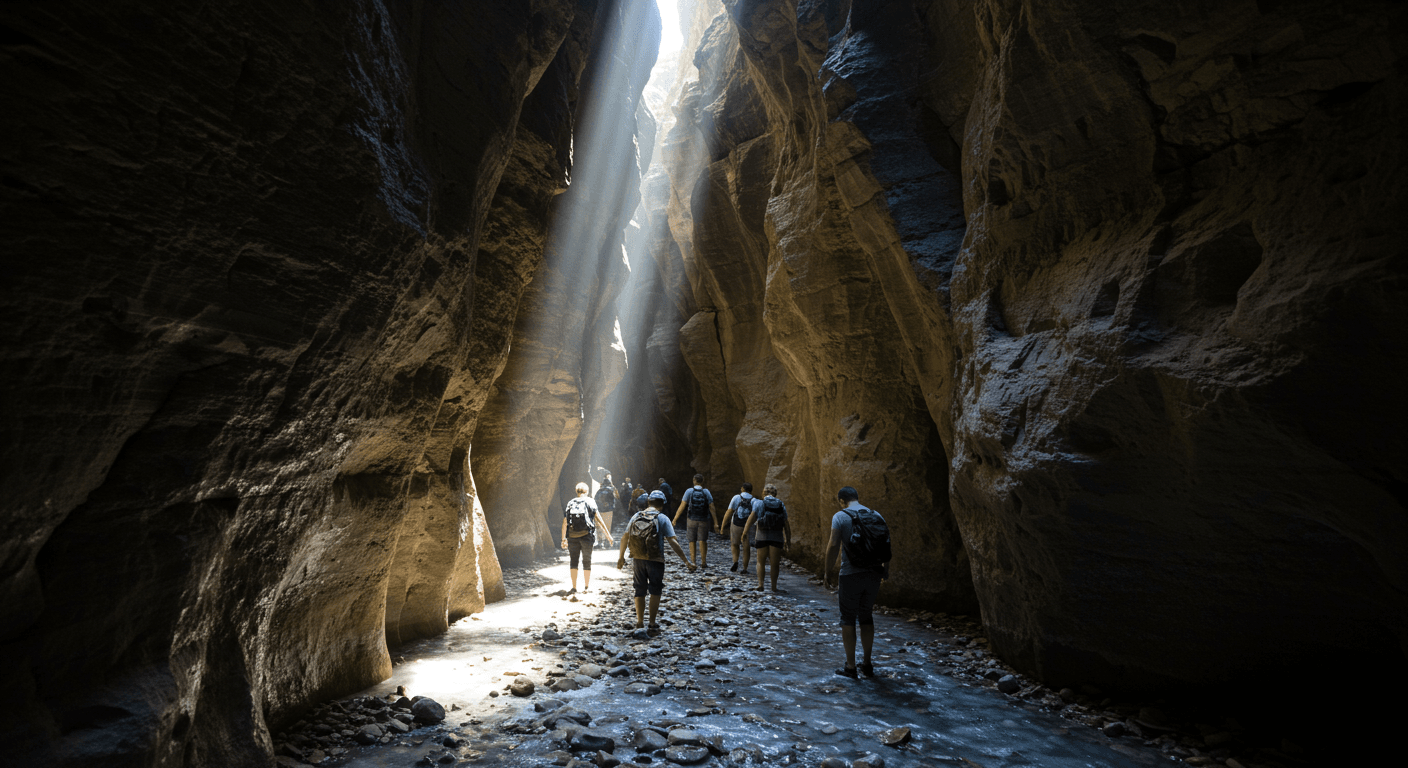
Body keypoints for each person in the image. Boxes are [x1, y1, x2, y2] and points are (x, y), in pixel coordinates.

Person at [822, 486, 888, 678]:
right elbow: (886, 544)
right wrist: (885, 571)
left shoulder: (840, 516)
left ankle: (850, 666)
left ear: (841, 500)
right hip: (874, 573)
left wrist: (827, 572)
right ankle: (867, 664)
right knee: (866, 616)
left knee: (848, 618)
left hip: (850, 574)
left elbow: (834, 545)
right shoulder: (877, 515)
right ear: (857, 498)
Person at [618, 490, 695, 634]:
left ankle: (640, 622)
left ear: (649, 502)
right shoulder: (663, 518)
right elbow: (673, 541)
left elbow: (624, 537)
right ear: (662, 504)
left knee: (639, 590)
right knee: (655, 591)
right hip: (656, 560)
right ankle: (652, 624)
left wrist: (621, 557)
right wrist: (686, 561)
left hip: (638, 559)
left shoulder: (636, 516)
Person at [559, 482, 614, 593]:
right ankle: (586, 586)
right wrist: (608, 535)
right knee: (586, 561)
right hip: (586, 536)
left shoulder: (571, 503)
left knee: (573, 561)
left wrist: (563, 539)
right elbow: (599, 519)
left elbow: (565, 522)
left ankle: (574, 587)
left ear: (576, 491)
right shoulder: (590, 501)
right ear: (587, 491)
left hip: (572, 536)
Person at [741, 483, 791, 592]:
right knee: (774, 563)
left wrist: (744, 533)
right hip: (777, 537)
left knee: (760, 561)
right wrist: (788, 540)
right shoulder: (781, 504)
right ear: (775, 494)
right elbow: (786, 524)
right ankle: (774, 587)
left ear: (764, 492)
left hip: (762, 535)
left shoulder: (760, 503)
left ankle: (761, 584)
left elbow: (751, 518)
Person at [673, 473, 717, 569]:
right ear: (702, 481)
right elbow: (712, 507)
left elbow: (682, 505)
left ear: (694, 481)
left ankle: (693, 562)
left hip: (691, 519)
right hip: (704, 519)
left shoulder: (689, 491)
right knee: (703, 540)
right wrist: (716, 522)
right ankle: (703, 562)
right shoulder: (706, 492)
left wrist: (675, 518)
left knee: (692, 540)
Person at [726, 482, 760, 573]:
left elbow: (729, 511)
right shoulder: (754, 500)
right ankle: (745, 568)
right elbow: (755, 515)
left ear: (743, 488)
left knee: (734, 544)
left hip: (736, 524)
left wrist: (722, 526)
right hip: (748, 527)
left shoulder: (736, 497)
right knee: (746, 548)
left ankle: (735, 561)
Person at [593, 477, 619, 547]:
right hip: (609, 510)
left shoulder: (599, 491)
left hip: (600, 510)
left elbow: (595, 499)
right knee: (608, 526)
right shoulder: (611, 490)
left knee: (599, 526)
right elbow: (616, 499)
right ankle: (608, 542)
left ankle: (600, 542)